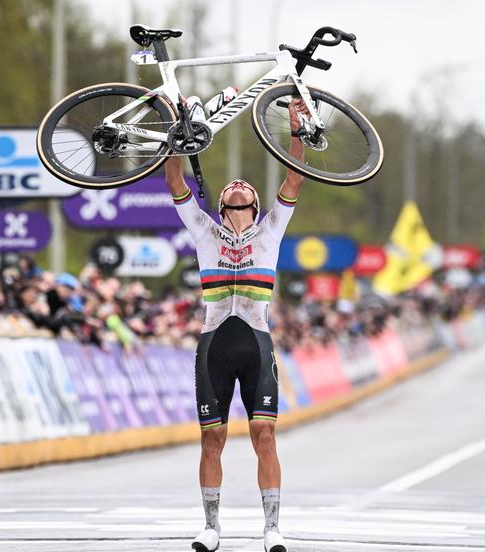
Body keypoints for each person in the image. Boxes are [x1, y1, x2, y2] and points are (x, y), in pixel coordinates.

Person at [165, 99, 307, 552]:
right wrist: (175, 130)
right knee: (213, 438)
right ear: (224, 203)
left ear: (256, 204)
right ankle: (211, 526)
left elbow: (294, 177)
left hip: (257, 345)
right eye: (231, 185)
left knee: (264, 435)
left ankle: (272, 529)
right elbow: (174, 180)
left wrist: (296, 125)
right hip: (213, 347)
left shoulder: (271, 231)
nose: (239, 183)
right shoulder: (204, 230)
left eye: (246, 184)